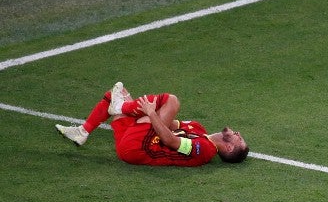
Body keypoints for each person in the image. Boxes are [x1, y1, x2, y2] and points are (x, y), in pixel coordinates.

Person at [55, 82, 249, 166]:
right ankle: (83, 131)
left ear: (230, 147)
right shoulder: (198, 129)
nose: (238, 133)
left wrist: (149, 113)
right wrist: (146, 113)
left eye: (238, 138)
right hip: (130, 147)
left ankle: (122, 106)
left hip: (143, 149)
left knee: (171, 101)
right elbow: (168, 123)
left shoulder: (205, 150)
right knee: (115, 96)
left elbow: (170, 140)